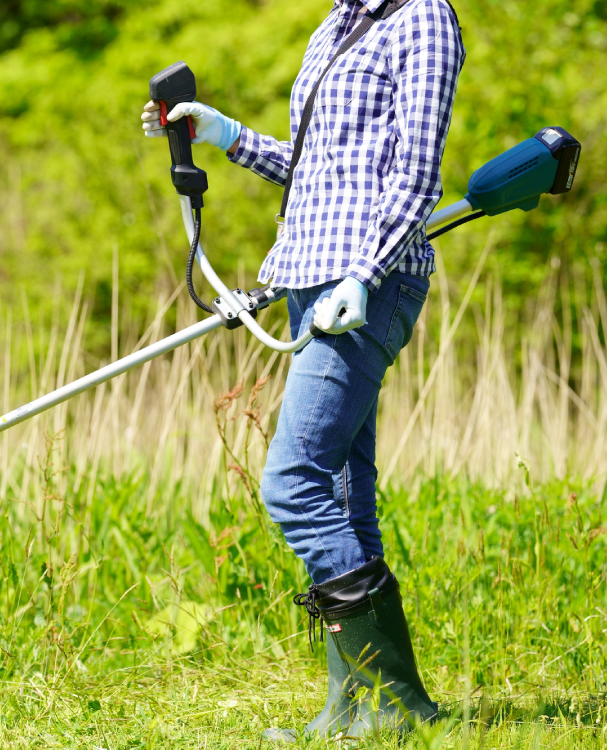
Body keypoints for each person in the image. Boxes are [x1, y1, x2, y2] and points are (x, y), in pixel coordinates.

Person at [142, 0, 464, 741]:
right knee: (345, 496)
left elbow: (416, 179)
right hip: (309, 278)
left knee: (293, 483)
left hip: (366, 285)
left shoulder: (422, 17)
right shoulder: (337, 22)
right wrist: (225, 135)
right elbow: (321, 170)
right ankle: (353, 709)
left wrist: (366, 275)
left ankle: (395, 701)